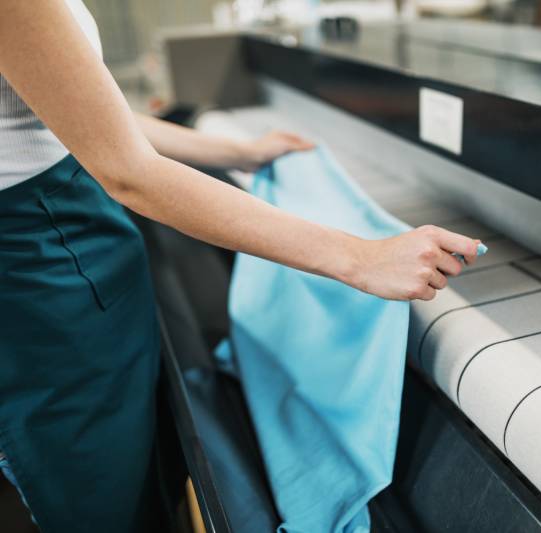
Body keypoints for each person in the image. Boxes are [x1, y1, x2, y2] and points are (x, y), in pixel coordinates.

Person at [0, 1, 480, 531]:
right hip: (36, 278)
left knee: (141, 475)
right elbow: (128, 172)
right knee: (101, 502)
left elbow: (76, 105)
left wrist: (236, 151)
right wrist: (359, 257)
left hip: (70, 241)